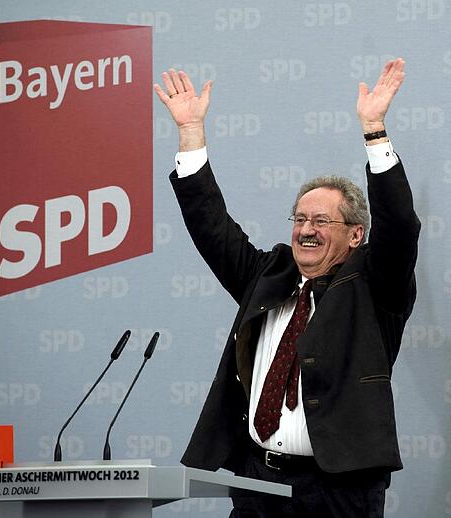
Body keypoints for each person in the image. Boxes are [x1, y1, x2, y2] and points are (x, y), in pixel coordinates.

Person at [154, 58, 419, 517]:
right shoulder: (267, 276)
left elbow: (398, 228)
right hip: (257, 482)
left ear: (356, 235)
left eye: (321, 221)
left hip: (338, 491)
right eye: (299, 218)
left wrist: (374, 131)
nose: (306, 230)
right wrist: (191, 134)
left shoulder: (375, 289)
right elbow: (210, 226)